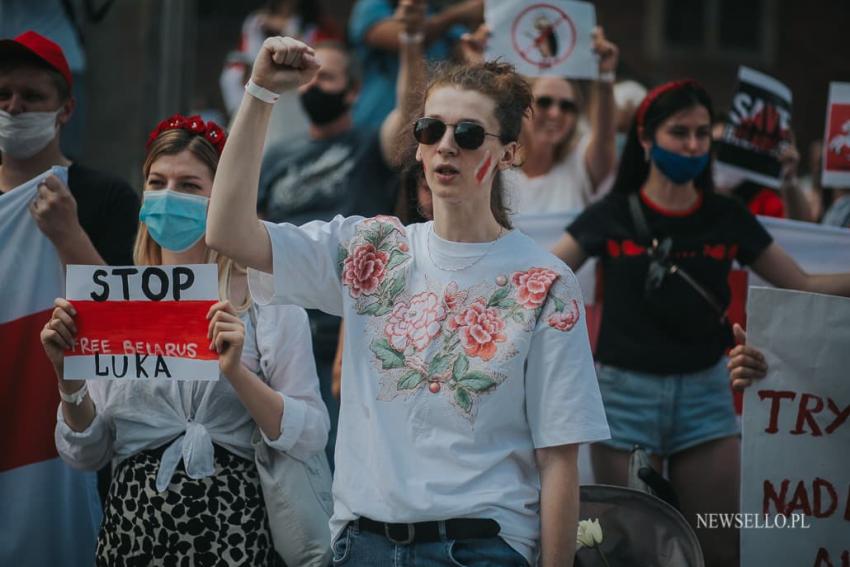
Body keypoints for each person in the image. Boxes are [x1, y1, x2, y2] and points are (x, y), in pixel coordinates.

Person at [208, 36, 610, 566]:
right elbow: (229, 232)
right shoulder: (369, 248)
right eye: (431, 129)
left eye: (468, 134)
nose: (446, 145)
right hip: (363, 546)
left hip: (480, 548)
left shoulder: (545, 281)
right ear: (417, 144)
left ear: (509, 152)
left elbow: (559, 460)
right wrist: (260, 93)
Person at [550, 79, 850, 566]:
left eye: (701, 134)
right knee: (619, 552)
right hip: (621, 400)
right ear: (646, 139)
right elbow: (542, 275)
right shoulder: (610, 215)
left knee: (719, 545)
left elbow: (800, 283)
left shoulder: (727, 217)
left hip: (706, 403)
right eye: (678, 133)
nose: (692, 145)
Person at [42, 114, 330, 566]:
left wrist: (237, 373)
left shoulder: (268, 302)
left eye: (189, 185)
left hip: (234, 531)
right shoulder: (119, 303)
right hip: (132, 533)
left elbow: (310, 433)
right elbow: (86, 453)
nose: (167, 197)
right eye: (156, 182)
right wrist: (68, 379)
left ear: (224, 198)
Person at [0, 30, 138, 266]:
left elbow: (121, 300)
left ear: (65, 111)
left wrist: (70, 236)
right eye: (3, 94)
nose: (13, 107)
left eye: (31, 96)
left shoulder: (110, 198)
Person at [348, 0, 482, 127]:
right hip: (378, 120)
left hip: (430, 120)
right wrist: (455, 16)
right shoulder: (373, 6)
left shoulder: (437, 8)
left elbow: (466, 55)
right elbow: (400, 37)